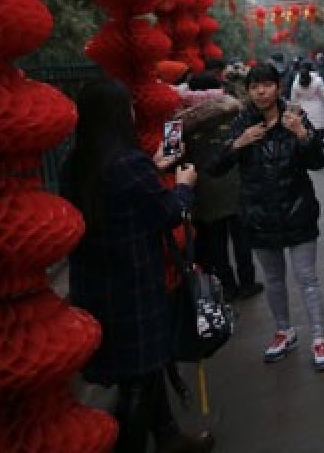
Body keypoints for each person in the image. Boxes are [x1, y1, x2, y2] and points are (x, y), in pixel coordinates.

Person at [62, 79, 213, 453]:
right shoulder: (127, 163)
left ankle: (168, 436)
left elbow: (123, 202)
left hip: (97, 283)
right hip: (133, 285)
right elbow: (167, 213)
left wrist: (153, 165)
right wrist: (184, 185)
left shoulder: (75, 163)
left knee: (144, 367)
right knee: (140, 377)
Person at [208, 63, 324, 371]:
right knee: (274, 280)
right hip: (259, 213)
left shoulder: (294, 116)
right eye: (254, 86)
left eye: (266, 85)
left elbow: (317, 161)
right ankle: (284, 331)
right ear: (248, 91)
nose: (260, 91)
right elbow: (214, 166)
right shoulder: (242, 122)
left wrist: (302, 134)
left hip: (297, 210)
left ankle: (319, 337)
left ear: (278, 87)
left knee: (307, 279)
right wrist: (239, 143)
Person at [178, 72, 262, 303]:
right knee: (242, 239)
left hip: (204, 189)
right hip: (235, 183)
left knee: (217, 244)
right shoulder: (235, 112)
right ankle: (248, 282)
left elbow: (175, 157)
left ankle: (228, 286)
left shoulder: (181, 123)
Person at [290, 61, 324, 143]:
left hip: (304, 112)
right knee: (321, 134)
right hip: (319, 110)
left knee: (309, 133)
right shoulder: (317, 80)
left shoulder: (295, 84)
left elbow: (294, 101)